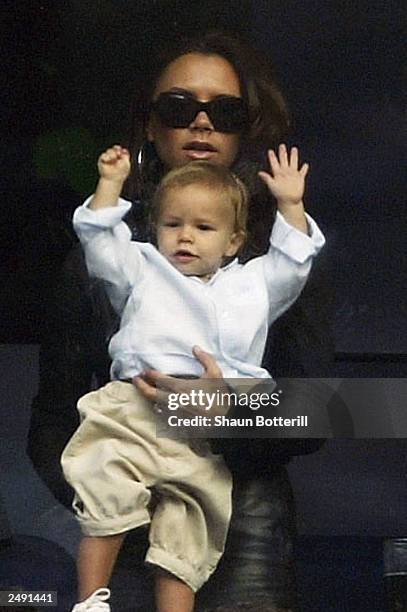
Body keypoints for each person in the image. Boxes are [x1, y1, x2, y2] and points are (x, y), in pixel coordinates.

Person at [28, 31, 334, 611]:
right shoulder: (99, 253)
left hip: (242, 522)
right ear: (150, 123)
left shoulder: (282, 254)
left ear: (247, 127)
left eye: (225, 111)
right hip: (112, 508)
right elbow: (49, 415)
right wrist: (102, 493)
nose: (201, 123)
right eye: (178, 107)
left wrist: (230, 410)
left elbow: (325, 411)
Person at [62, 148, 324, 612]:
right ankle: (89, 601)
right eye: (172, 224)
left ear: (233, 241)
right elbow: (100, 243)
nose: (185, 237)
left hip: (208, 434)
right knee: (105, 496)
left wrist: (290, 206)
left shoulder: (253, 284)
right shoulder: (143, 268)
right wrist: (109, 187)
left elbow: (293, 262)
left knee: (188, 537)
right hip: (135, 409)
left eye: (204, 228)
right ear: (155, 229)